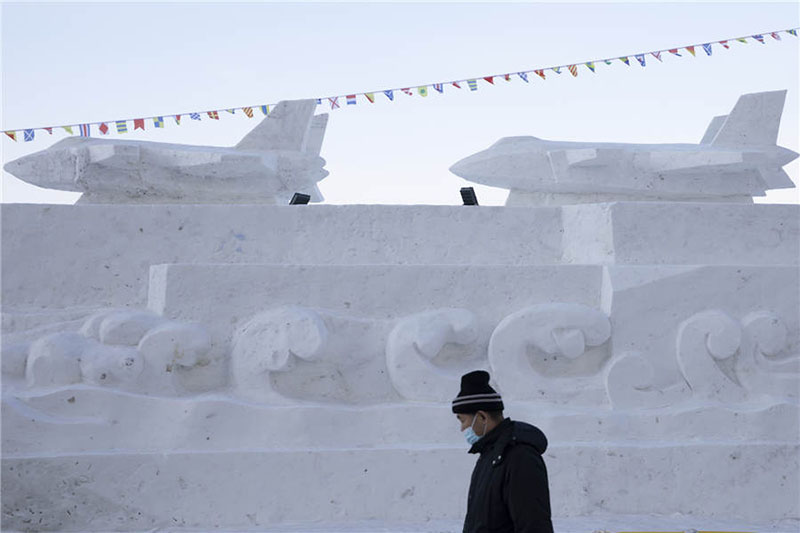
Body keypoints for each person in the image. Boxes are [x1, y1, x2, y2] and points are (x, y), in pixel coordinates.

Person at [452, 370, 553, 533]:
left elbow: (534, 525)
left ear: (482, 417)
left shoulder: (520, 458)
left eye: (463, 420)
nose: (462, 428)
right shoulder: (489, 455)